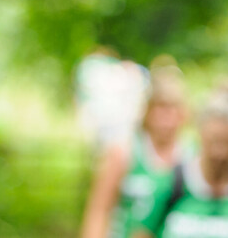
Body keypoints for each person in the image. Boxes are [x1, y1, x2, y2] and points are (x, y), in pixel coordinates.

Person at [80, 57, 187, 238]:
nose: (166, 119)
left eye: (172, 110)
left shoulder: (190, 156)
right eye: (160, 109)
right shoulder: (123, 152)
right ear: (147, 111)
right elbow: (99, 210)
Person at [136, 87, 228, 238]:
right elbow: (142, 232)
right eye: (213, 141)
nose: (219, 152)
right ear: (201, 134)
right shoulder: (173, 182)